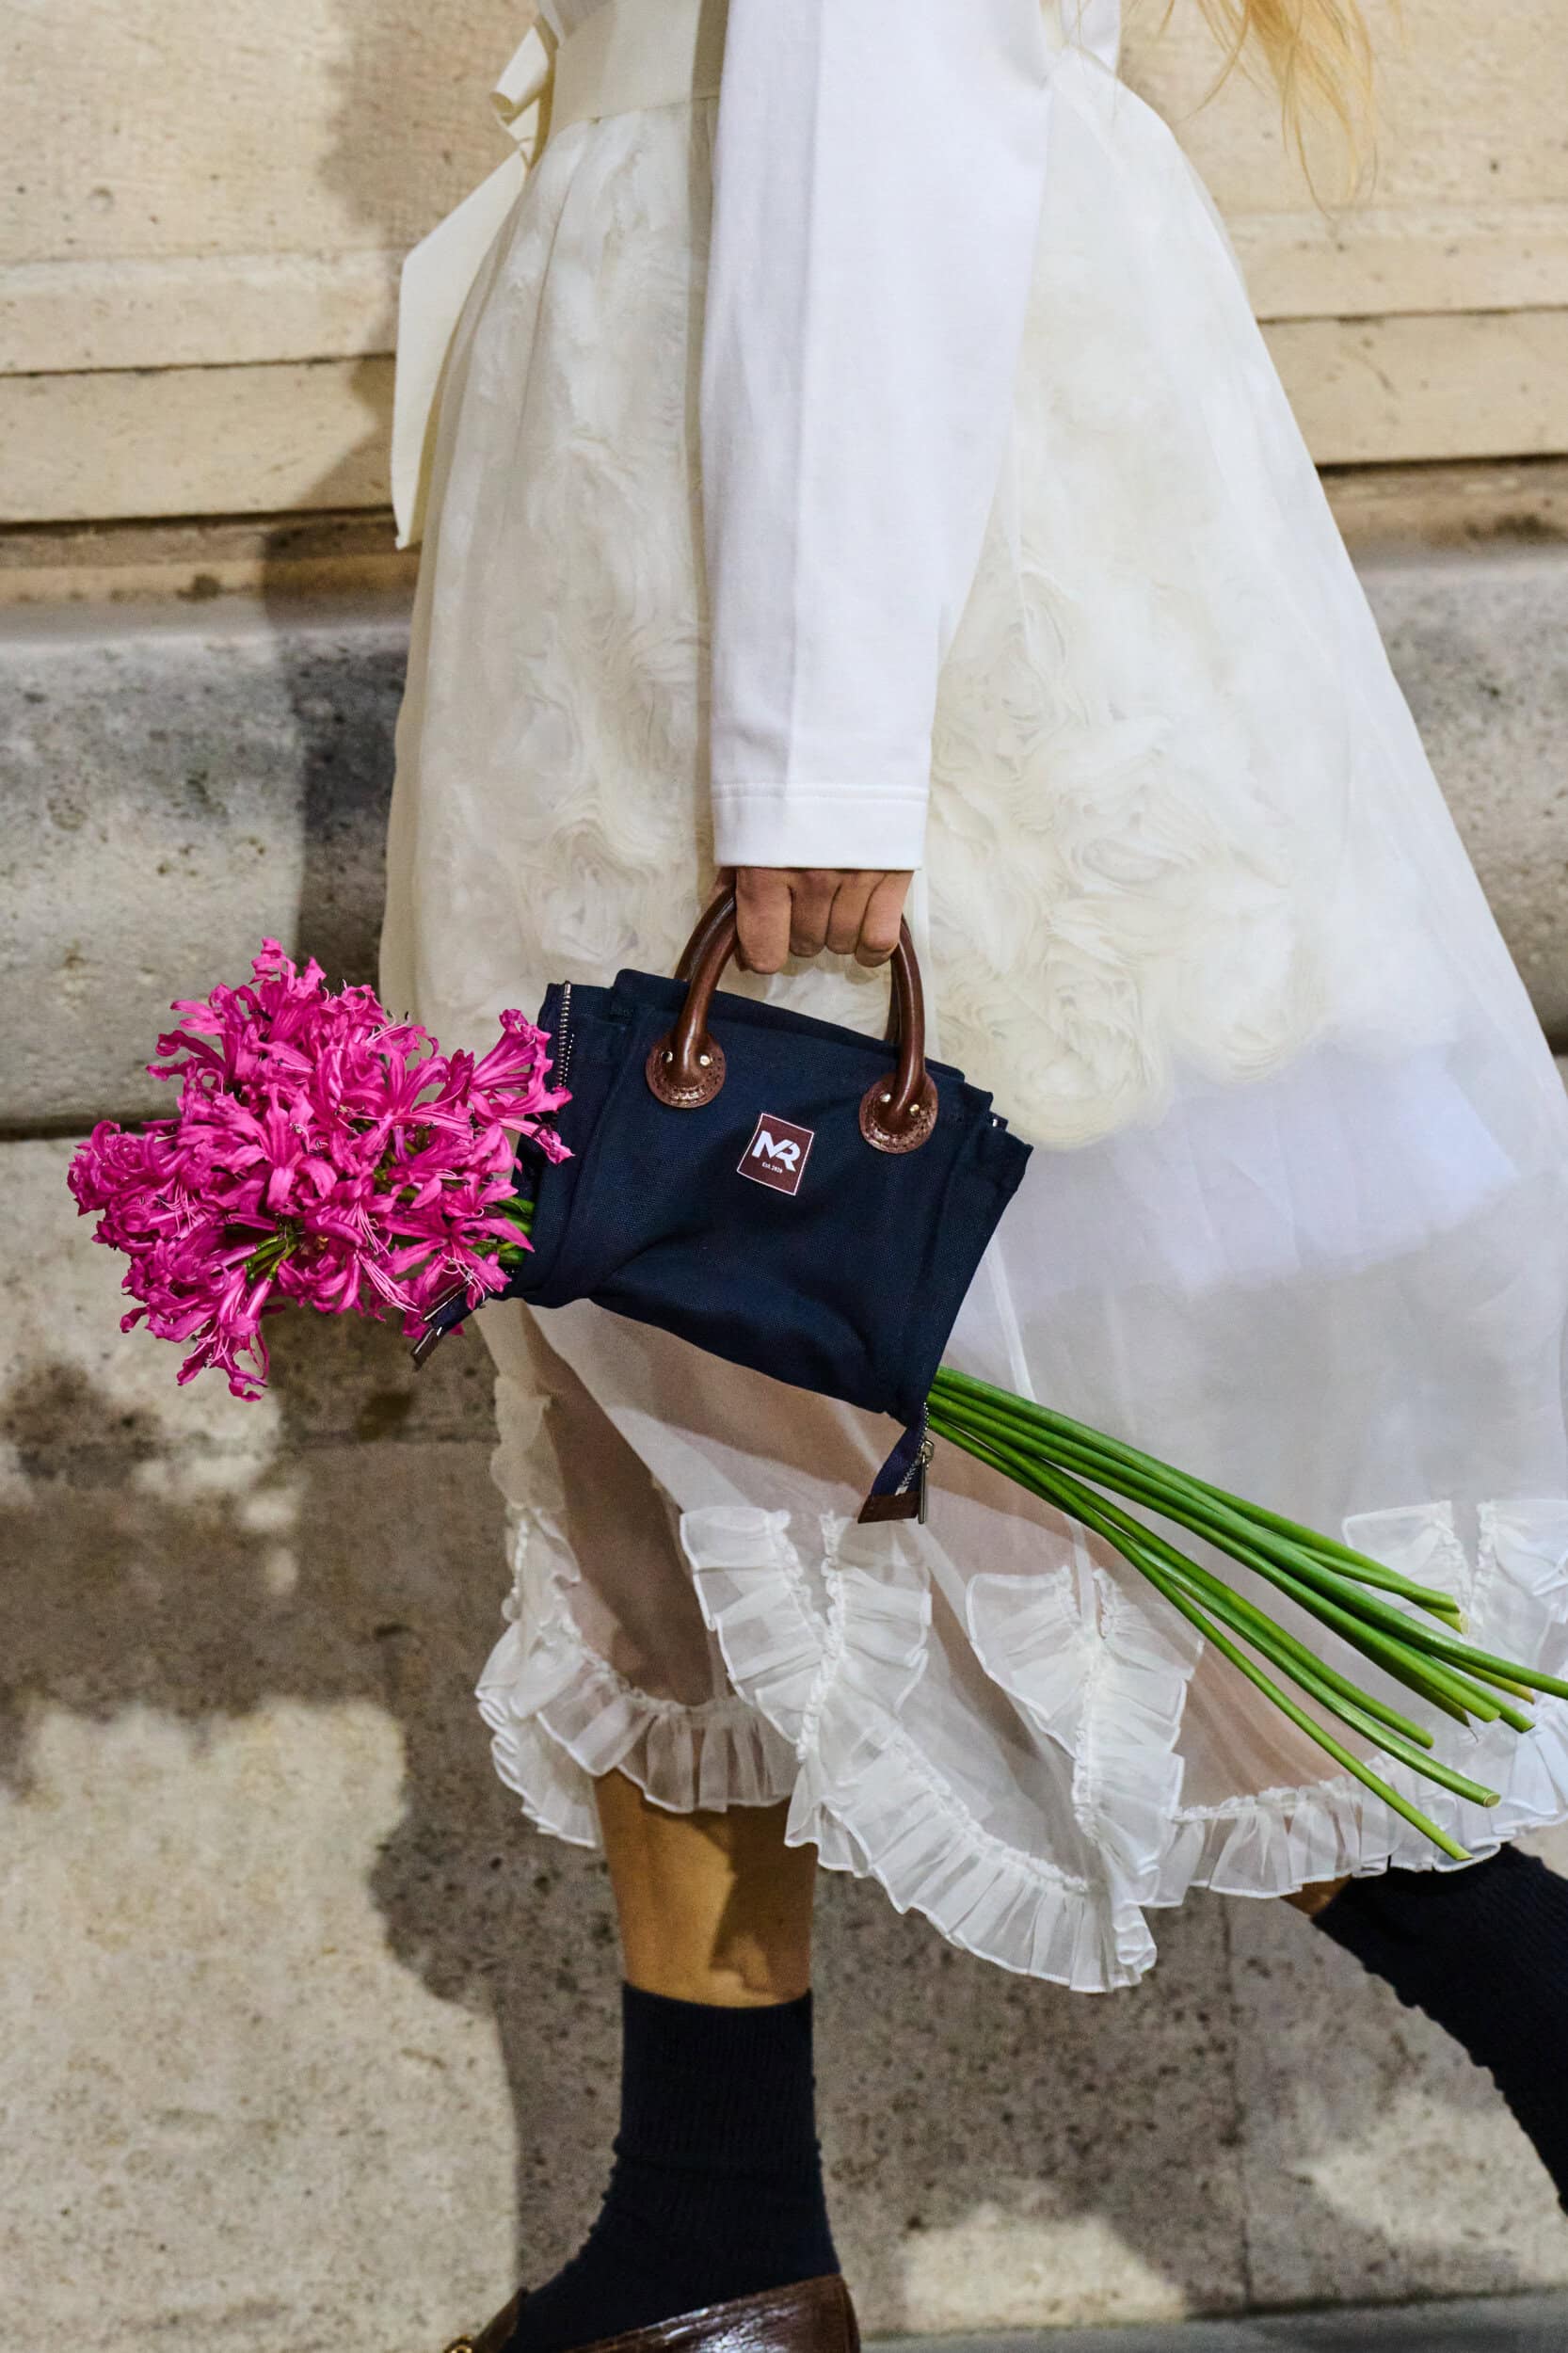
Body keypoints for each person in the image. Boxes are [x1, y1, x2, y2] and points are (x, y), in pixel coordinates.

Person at [379, 4, 1568, 2347]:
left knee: (938, 1396)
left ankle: (1542, 2004)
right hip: (673, 447)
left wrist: (815, 748)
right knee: (645, 1343)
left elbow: (873, 70)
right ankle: (709, 2239)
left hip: (802, 505)